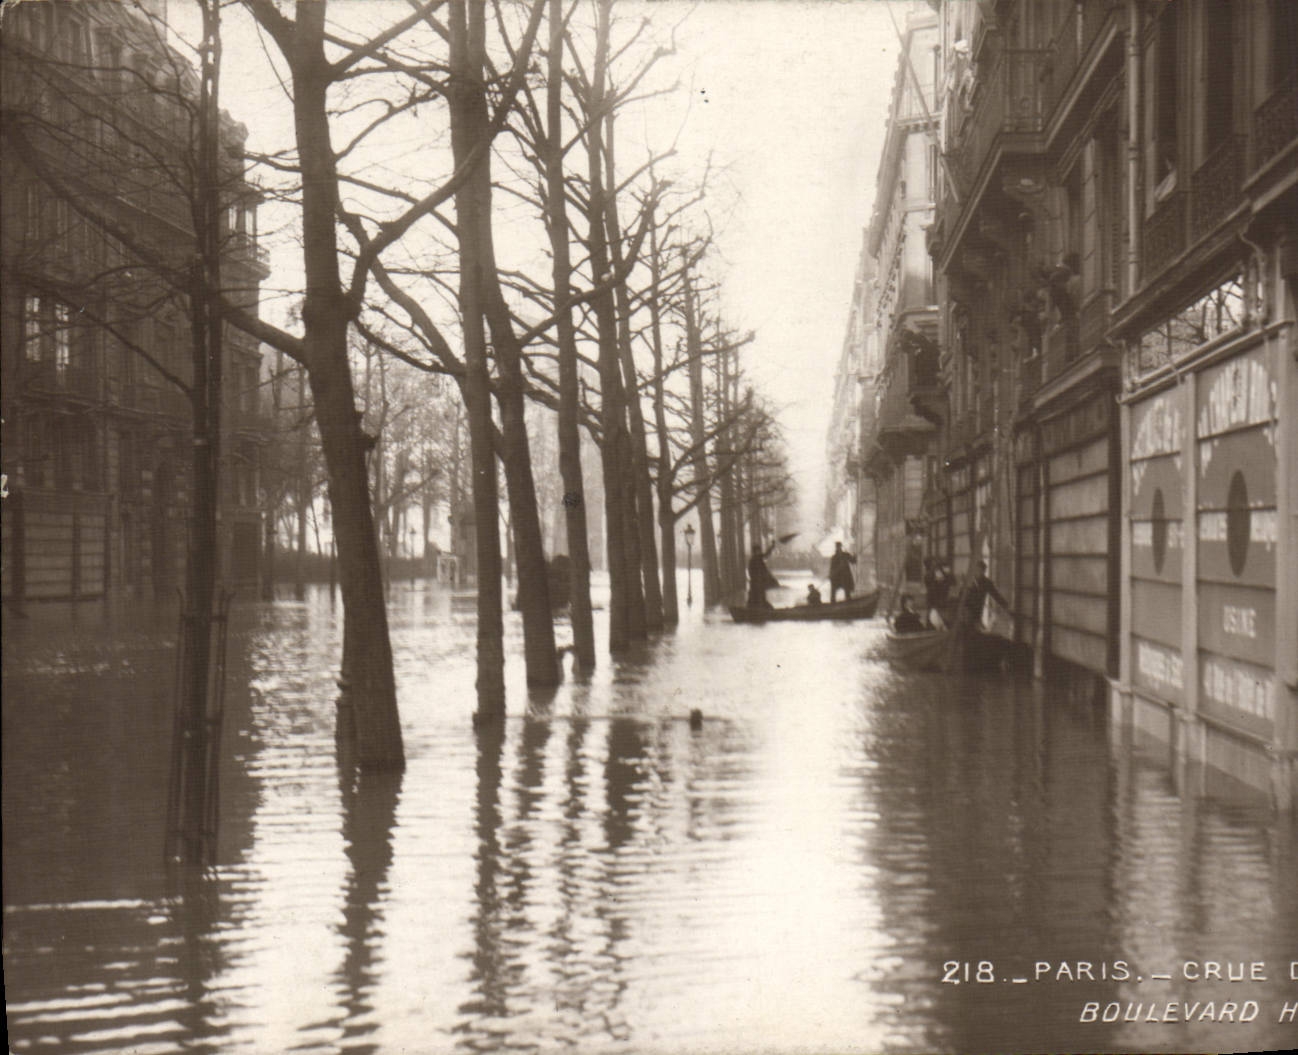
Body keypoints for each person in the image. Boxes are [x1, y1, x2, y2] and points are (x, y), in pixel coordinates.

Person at [747, 539, 779, 609]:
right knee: (757, 596)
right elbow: (766, 554)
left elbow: (766, 554)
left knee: (757, 596)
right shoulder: (756, 559)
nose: (759, 552)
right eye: (758, 551)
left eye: (759, 551)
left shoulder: (755, 559)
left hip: (757, 582)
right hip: (757, 582)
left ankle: (757, 609)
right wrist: (772, 546)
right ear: (755, 552)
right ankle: (757, 608)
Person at [924, 558, 952, 629]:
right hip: (935, 604)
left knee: (942, 621)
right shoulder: (930, 577)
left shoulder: (945, 579)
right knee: (934, 619)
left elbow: (951, 583)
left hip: (941, 603)